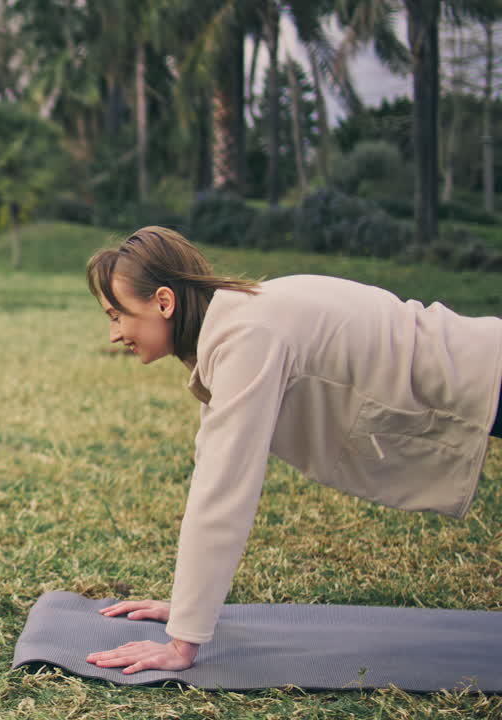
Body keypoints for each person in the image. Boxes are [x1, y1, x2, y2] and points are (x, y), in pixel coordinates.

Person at [81, 226, 502, 673]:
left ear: (163, 302)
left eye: (116, 314)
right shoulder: (239, 321)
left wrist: (182, 642)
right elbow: (213, 465)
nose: (114, 334)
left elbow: (223, 491)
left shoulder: (247, 336)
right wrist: (188, 609)